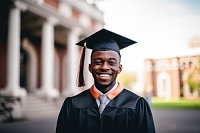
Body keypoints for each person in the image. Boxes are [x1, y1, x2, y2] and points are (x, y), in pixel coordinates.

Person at [56, 28, 156, 133]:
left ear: (119, 69)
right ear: (90, 67)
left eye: (111, 62)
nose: (104, 67)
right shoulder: (73, 105)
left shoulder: (136, 105)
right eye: (98, 62)